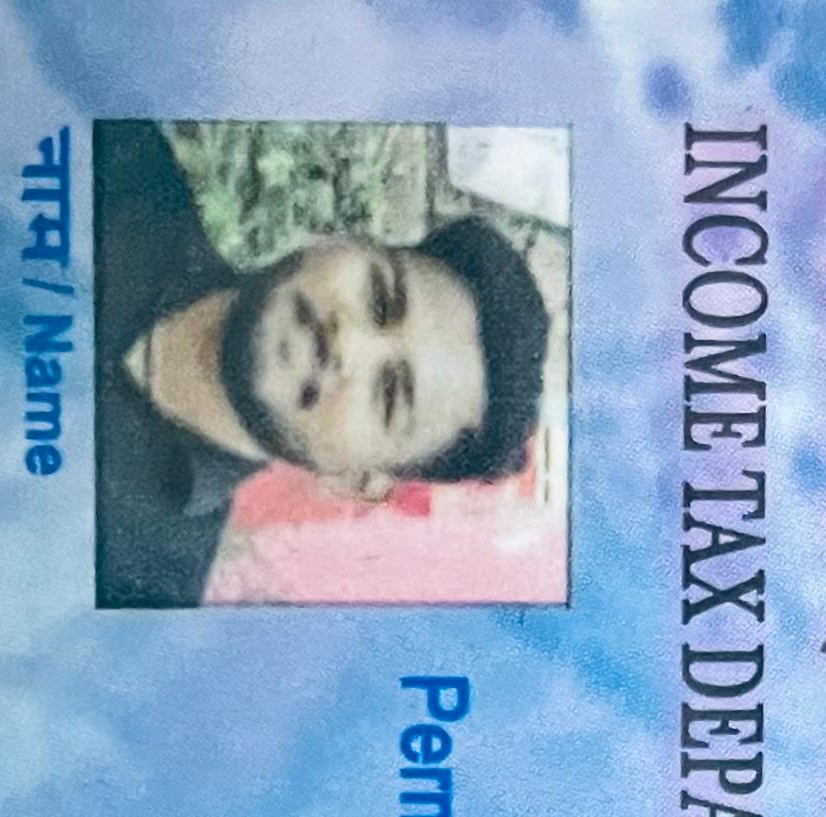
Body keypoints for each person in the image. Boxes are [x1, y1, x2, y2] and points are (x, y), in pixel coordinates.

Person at [94, 121, 552, 608]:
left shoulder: (136, 589)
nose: (347, 342)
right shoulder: (115, 159)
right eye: (379, 298)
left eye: (387, 394)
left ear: (358, 481)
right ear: (342, 240)